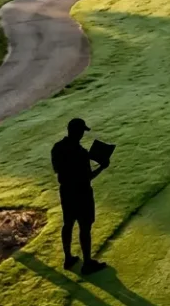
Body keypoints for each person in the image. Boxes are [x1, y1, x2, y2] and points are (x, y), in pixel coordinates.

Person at [51, 117, 108, 274]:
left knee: (68, 224)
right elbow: (88, 177)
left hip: (66, 192)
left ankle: (68, 257)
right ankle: (87, 263)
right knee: (85, 227)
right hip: (82, 193)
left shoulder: (57, 148)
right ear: (79, 133)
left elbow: (57, 169)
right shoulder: (81, 153)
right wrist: (102, 167)